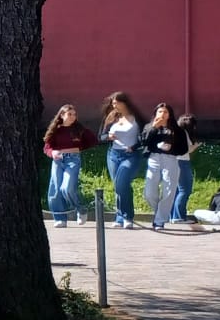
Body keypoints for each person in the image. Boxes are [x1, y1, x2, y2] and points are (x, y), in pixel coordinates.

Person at [41, 104, 96, 226]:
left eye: (74, 114)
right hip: (58, 160)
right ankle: (60, 218)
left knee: (67, 188)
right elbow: (47, 147)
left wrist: (78, 148)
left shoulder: (78, 129)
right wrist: (52, 152)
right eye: (69, 114)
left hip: (73, 160)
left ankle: (81, 209)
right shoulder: (55, 130)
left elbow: (93, 140)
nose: (72, 117)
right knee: (55, 189)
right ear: (62, 115)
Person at [139, 102, 189, 230]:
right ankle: (159, 213)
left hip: (170, 159)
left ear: (170, 115)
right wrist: (154, 128)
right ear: (155, 113)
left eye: (165, 112)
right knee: (149, 192)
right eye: (160, 111)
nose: (162, 114)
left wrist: (171, 148)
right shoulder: (149, 126)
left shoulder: (177, 130)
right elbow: (143, 141)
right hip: (154, 158)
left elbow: (183, 148)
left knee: (169, 189)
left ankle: (159, 220)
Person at [100, 93, 143, 228]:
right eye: (113, 103)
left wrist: (134, 147)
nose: (114, 106)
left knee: (122, 182)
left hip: (130, 155)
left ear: (124, 103)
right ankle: (120, 218)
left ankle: (127, 216)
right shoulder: (111, 118)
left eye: (116, 103)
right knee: (119, 186)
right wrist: (108, 137)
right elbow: (101, 136)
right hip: (113, 155)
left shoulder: (136, 118)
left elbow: (144, 137)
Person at [173, 114, 198, 223]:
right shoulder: (183, 133)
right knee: (185, 190)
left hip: (174, 162)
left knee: (176, 191)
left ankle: (173, 216)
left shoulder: (174, 131)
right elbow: (186, 149)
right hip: (182, 162)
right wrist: (195, 146)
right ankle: (179, 217)